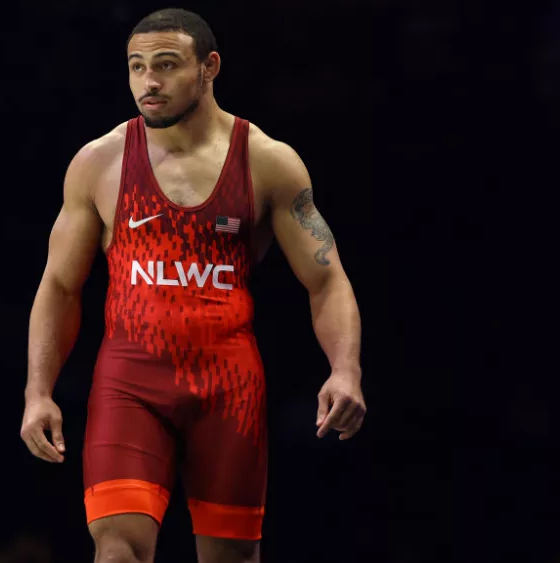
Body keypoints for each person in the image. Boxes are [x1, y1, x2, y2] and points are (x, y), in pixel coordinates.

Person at [20, 8, 366, 563]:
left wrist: (345, 369)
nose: (148, 82)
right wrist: (39, 391)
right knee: (117, 549)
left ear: (209, 68)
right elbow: (59, 286)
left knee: (230, 556)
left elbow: (327, 280)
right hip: (129, 385)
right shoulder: (100, 162)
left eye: (165, 65)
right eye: (136, 67)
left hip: (229, 390)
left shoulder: (268, 162)